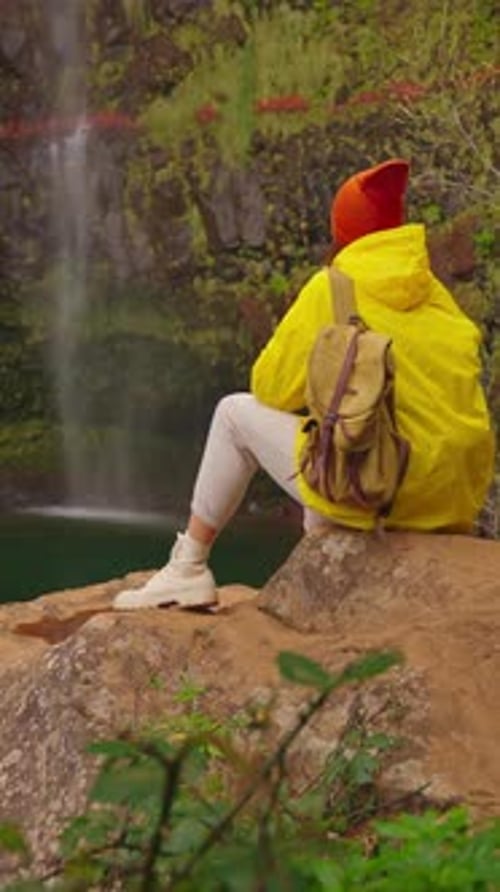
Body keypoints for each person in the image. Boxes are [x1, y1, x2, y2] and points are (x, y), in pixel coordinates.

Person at [113, 158, 494, 611]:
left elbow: (270, 387)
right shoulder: (434, 293)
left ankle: (187, 567)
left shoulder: (332, 287)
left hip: (385, 489)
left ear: (344, 230)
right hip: (451, 500)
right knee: (337, 433)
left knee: (234, 414)